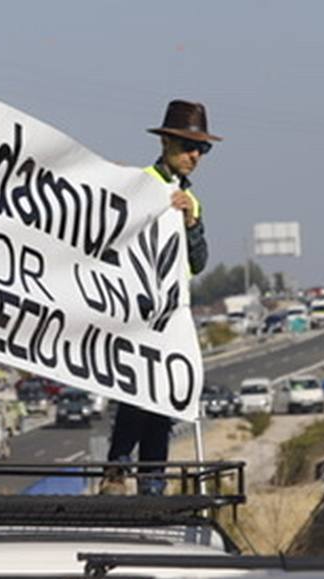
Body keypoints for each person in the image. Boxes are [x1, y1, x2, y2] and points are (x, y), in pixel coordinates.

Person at [108, 99, 219, 488]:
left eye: (202, 149)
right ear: (166, 144)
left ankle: (151, 485)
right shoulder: (139, 184)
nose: (195, 156)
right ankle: (117, 469)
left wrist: (191, 221)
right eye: (190, 147)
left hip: (170, 315)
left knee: (161, 403)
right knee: (134, 392)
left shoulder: (192, 199)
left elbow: (198, 262)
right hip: (134, 312)